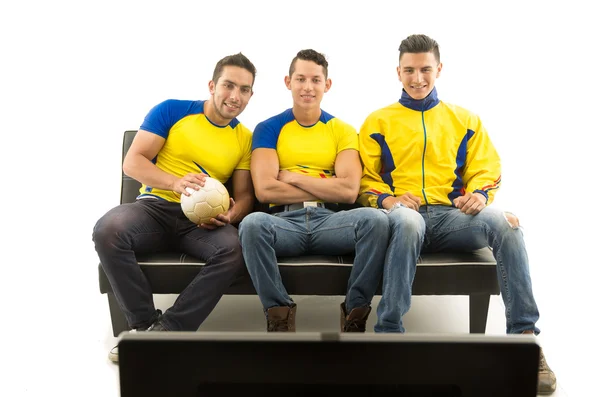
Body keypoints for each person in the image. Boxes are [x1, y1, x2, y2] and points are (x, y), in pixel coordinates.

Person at [357, 34, 556, 394]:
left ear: (439, 69)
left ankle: (525, 342)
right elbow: (364, 180)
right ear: (397, 72)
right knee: (405, 219)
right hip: (404, 218)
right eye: (409, 70)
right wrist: (387, 200)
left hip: (452, 219)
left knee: (507, 225)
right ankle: (388, 338)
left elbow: (487, 167)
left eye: (425, 70)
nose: (417, 78)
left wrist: (479, 195)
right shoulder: (377, 121)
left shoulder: (464, 119)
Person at [92, 53, 257, 363]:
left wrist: (230, 215)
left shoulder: (245, 139)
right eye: (229, 85)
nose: (235, 96)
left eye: (244, 89)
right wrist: (175, 182)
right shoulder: (173, 110)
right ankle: (144, 327)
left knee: (234, 250)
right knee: (107, 230)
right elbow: (134, 161)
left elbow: (246, 195)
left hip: (200, 222)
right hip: (154, 208)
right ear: (212, 85)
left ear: (251, 94)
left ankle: (168, 330)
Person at [238, 49, 389, 332]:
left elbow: (348, 192)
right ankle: (279, 317)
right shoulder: (269, 128)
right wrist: (324, 186)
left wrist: (293, 177)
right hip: (284, 224)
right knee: (252, 224)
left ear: (326, 85)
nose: (308, 87)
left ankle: (355, 316)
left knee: (377, 220)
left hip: (331, 222)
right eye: (300, 79)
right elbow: (266, 191)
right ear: (288, 82)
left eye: (316, 80)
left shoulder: (342, 130)